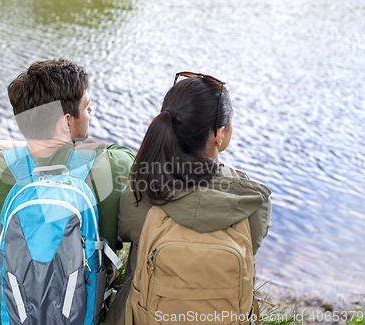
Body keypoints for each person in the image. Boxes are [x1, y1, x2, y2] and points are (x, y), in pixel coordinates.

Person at [0, 58, 135, 320]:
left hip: (11, 306)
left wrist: (30, 145)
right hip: (86, 306)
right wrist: (73, 149)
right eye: (87, 107)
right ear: (67, 121)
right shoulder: (112, 165)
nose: (91, 113)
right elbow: (121, 153)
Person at [105, 72, 272, 324]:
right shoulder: (252, 199)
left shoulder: (141, 188)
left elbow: (124, 233)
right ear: (219, 134)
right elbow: (253, 246)